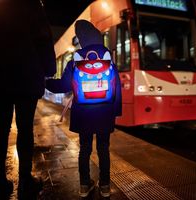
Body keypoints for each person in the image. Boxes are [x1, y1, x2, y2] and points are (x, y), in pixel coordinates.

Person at [46, 19, 122, 198]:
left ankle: (84, 185)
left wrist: (45, 83)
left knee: (85, 148)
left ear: (81, 39)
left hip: (83, 114)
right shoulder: (108, 58)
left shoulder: (76, 59)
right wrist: (116, 112)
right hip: (105, 112)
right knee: (103, 149)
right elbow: (117, 87)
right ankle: (104, 186)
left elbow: (63, 86)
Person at [0, 0, 56, 199]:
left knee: (0, 129)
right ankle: (25, 181)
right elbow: (43, 38)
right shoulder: (31, 4)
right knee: (25, 130)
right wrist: (49, 69)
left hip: (0, 77)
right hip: (26, 76)